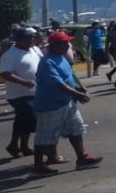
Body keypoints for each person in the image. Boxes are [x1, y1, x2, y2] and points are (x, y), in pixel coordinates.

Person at [33, 31, 101, 175]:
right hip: (50, 105)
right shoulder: (47, 62)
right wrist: (77, 94)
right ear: (55, 45)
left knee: (76, 128)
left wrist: (77, 88)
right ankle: (38, 165)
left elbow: (67, 79)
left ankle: (82, 158)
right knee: (45, 136)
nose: (67, 45)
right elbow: (58, 84)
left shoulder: (61, 58)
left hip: (67, 101)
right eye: (65, 43)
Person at [0, 27, 43, 158]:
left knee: (22, 120)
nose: (32, 40)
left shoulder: (33, 50)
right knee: (30, 118)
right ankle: (14, 145)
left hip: (34, 92)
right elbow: (4, 74)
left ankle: (22, 146)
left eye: (32, 37)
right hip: (18, 94)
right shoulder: (10, 54)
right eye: (28, 37)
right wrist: (23, 81)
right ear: (19, 39)